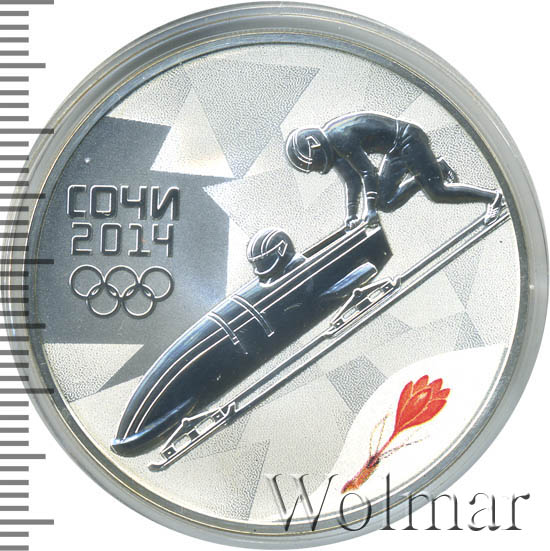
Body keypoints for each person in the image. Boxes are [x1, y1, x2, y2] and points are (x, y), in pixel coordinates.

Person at [285, 112, 503, 229]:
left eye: (312, 165)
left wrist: (369, 210)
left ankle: (493, 197)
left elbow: (368, 172)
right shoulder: (334, 150)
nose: (317, 170)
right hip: (396, 149)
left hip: (408, 140)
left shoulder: (338, 137)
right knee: (385, 202)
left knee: (437, 192)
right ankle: (436, 169)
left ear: (314, 145)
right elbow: (352, 180)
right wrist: (351, 215)